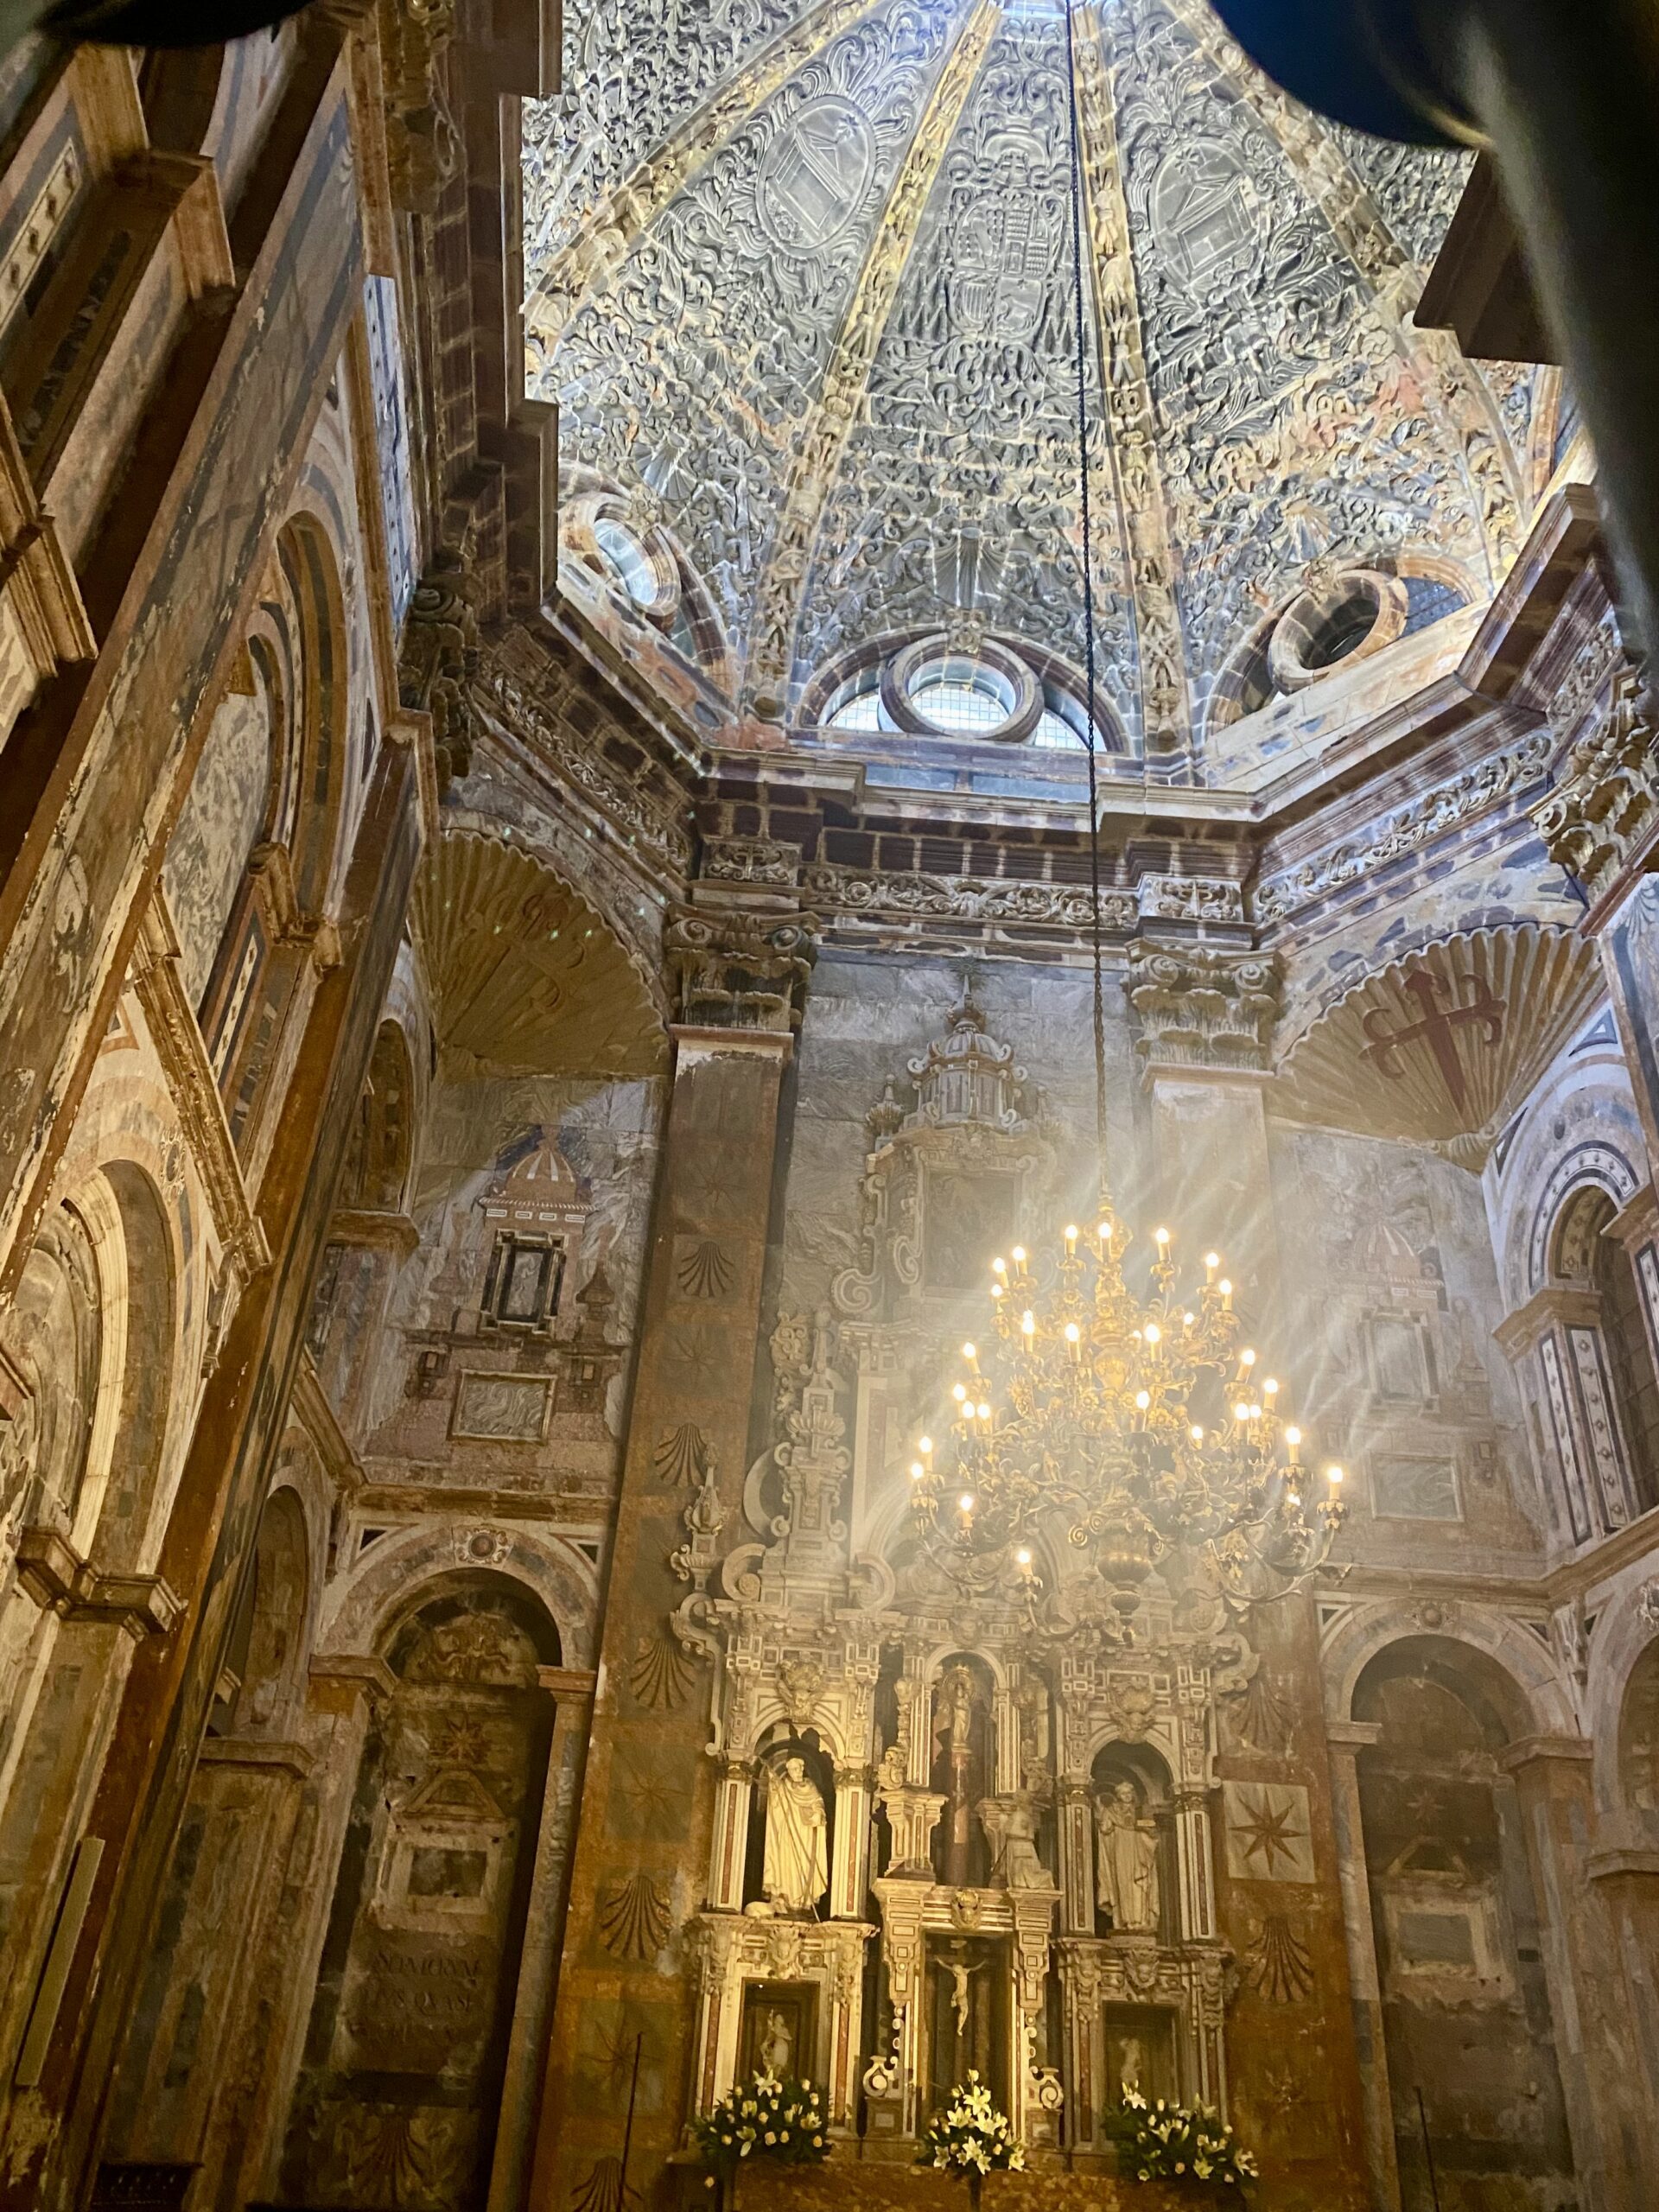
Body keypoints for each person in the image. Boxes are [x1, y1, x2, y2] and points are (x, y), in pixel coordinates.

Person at [763, 1752, 828, 1912]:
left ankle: (804, 1901)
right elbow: (775, 1804)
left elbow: (818, 1802)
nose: (797, 1772)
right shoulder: (784, 1786)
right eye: (793, 1770)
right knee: (786, 1864)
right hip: (788, 1832)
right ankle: (786, 1898)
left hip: (806, 1833)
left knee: (805, 1865)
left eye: (799, 1769)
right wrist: (773, 1785)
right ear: (789, 1771)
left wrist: (818, 1813)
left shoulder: (810, 1786)